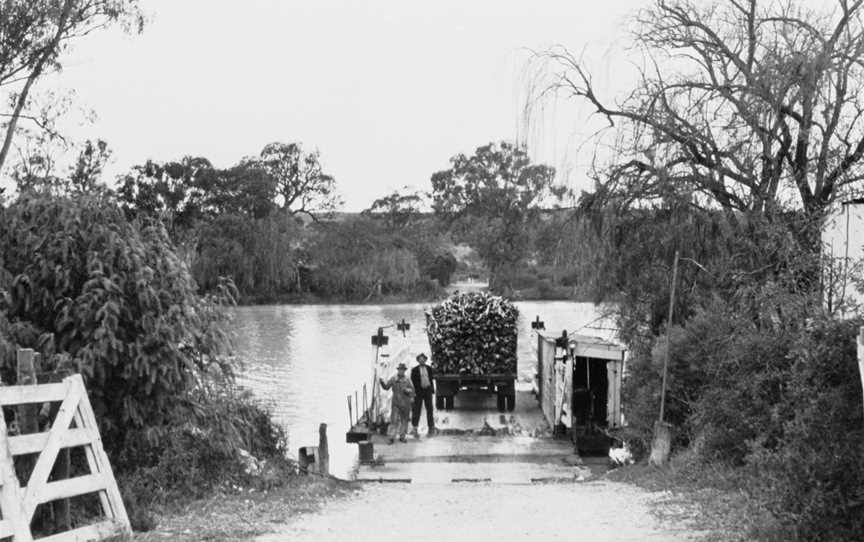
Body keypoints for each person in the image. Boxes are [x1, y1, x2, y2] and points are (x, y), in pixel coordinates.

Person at [379, 362, 415, 443]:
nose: (401, 371)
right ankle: (391, 437)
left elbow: (413, 391)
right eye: (400, 370)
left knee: (404, 420)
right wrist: (381, 382)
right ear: (398, 370)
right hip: (396, 403)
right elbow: (386, 387)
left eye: (402, 370)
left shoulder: (408, 380)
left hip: (406, 404)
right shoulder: (393, 379)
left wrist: (407, 390)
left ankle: (402, 436)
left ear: (404, 371)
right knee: (394, 421)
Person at [410, 353, 436, 437]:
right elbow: (413, 381)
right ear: (418, 360)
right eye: (420, 359)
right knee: (417, 410)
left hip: (427, 390)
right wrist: (415, 391)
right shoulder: (414, 370)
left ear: (425, 360)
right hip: (419, 392)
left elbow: (431, 379)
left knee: (430, 409)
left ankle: (431, 428)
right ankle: (415, 428)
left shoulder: (429, 368)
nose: (422, 360)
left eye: (423, 359)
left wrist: (431, 389)